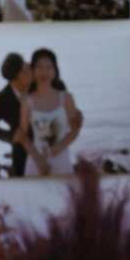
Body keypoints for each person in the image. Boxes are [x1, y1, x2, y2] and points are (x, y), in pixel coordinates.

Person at [20, 48, 81, 177]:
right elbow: (23, 136)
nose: (44, 72)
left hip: (62, 160)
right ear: (33, 71)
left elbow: (75, 130)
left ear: (55, 71)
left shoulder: (66, 98)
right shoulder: (27, 101)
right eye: (39, 67)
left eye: (48, 67)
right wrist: (39, 161)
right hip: (36, 163)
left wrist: (58, 148)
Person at [0, 53, 33, 177]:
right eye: (25, 72)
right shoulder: (1, 98)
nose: (30, 72)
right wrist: (11, 136)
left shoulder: (39, 87)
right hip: (21, 154)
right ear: (16, 78)